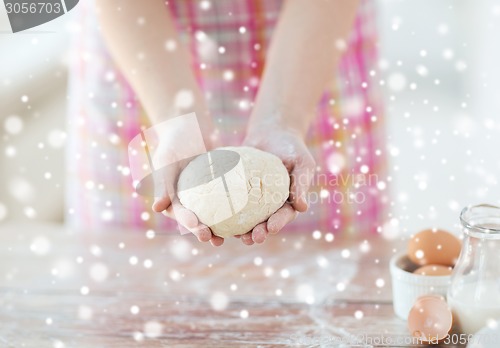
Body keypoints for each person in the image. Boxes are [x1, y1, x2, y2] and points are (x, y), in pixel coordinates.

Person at [67, 0, 388, 246]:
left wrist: (285, 119)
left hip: (310, 52)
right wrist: (176, 121)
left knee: (331, 275)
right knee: (133, 282)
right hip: (145, 57)